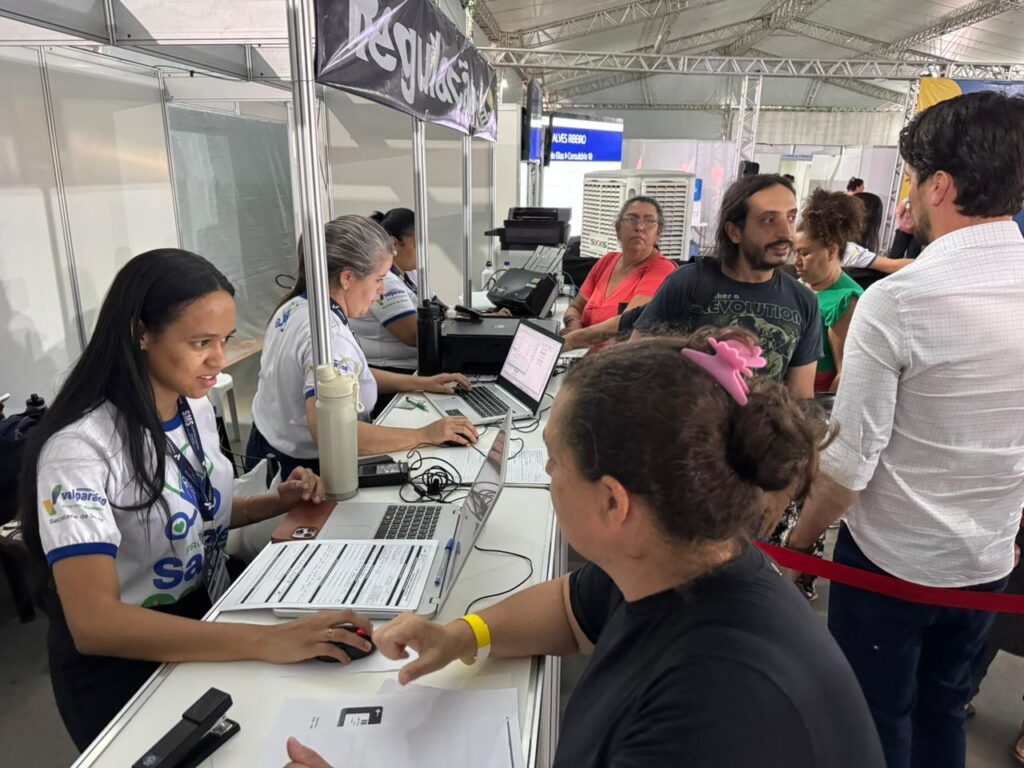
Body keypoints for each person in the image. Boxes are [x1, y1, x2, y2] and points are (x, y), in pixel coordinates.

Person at [281, 329, 885, 768]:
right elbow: (571, 609)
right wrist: (460, 636)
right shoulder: (678, 561)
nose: (546, 475)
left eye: (554, 461)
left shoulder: (714, 708)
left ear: (613, 503)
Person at [16, 250, 376, 749]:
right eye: (201, 343)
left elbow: (195, 517)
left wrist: (277, 500)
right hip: (126, 662)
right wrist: (269, 641)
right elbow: (95, 622)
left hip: (206, 614)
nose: (219, 360)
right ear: (141, 334)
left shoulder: (193, 407)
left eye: (225, 340)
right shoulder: (79, 449)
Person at [785, 90, 1024, 768]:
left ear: (940, 186)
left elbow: (850, 463)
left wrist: (800, 546)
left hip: (893, 563)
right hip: (987, 562)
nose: (907, 194)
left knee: (875, 717)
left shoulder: (899, 300)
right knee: (942, 708)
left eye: (913, 177)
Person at [247, 215, 477, 478]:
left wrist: (419, 383)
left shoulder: (298, 305)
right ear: (347, 277)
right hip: (302, 471)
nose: (382, 290)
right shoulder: (329, 335)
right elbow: (332, 433)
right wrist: (425, 435)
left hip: (269, 445)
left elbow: (346, 375)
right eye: (378, 279)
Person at [633, 174, 822, 399]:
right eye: (769, 220)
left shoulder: (804, 301)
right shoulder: (689, 283)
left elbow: (800, 398)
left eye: (790, 218)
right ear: (734, 232)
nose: (785, 232)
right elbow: (636, 364)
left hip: (761, 421)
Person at [560, 196, 675, 351]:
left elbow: (628, 323)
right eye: (632, 219)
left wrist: (574, 339)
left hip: (619, 361)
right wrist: (574, 326)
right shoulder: (607, 261)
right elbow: (575, 307)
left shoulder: (662, 269)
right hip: (583, 355)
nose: (640, 227)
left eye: (649, 221)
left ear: (658, 234)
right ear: (618, 229)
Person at [794, 189, 864, 394]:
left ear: (832, 251)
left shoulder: (846, 301)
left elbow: (844, 374)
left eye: (804, 253)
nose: (796, 261)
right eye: (795, 252)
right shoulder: (801, 285)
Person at [348, 208, 419, 373]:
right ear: (394, 244)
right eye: (417, 245)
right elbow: (414, 335)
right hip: (393, 370)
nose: (424, 251)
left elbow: (444, 309)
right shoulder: (386, 280)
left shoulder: (410, 273)